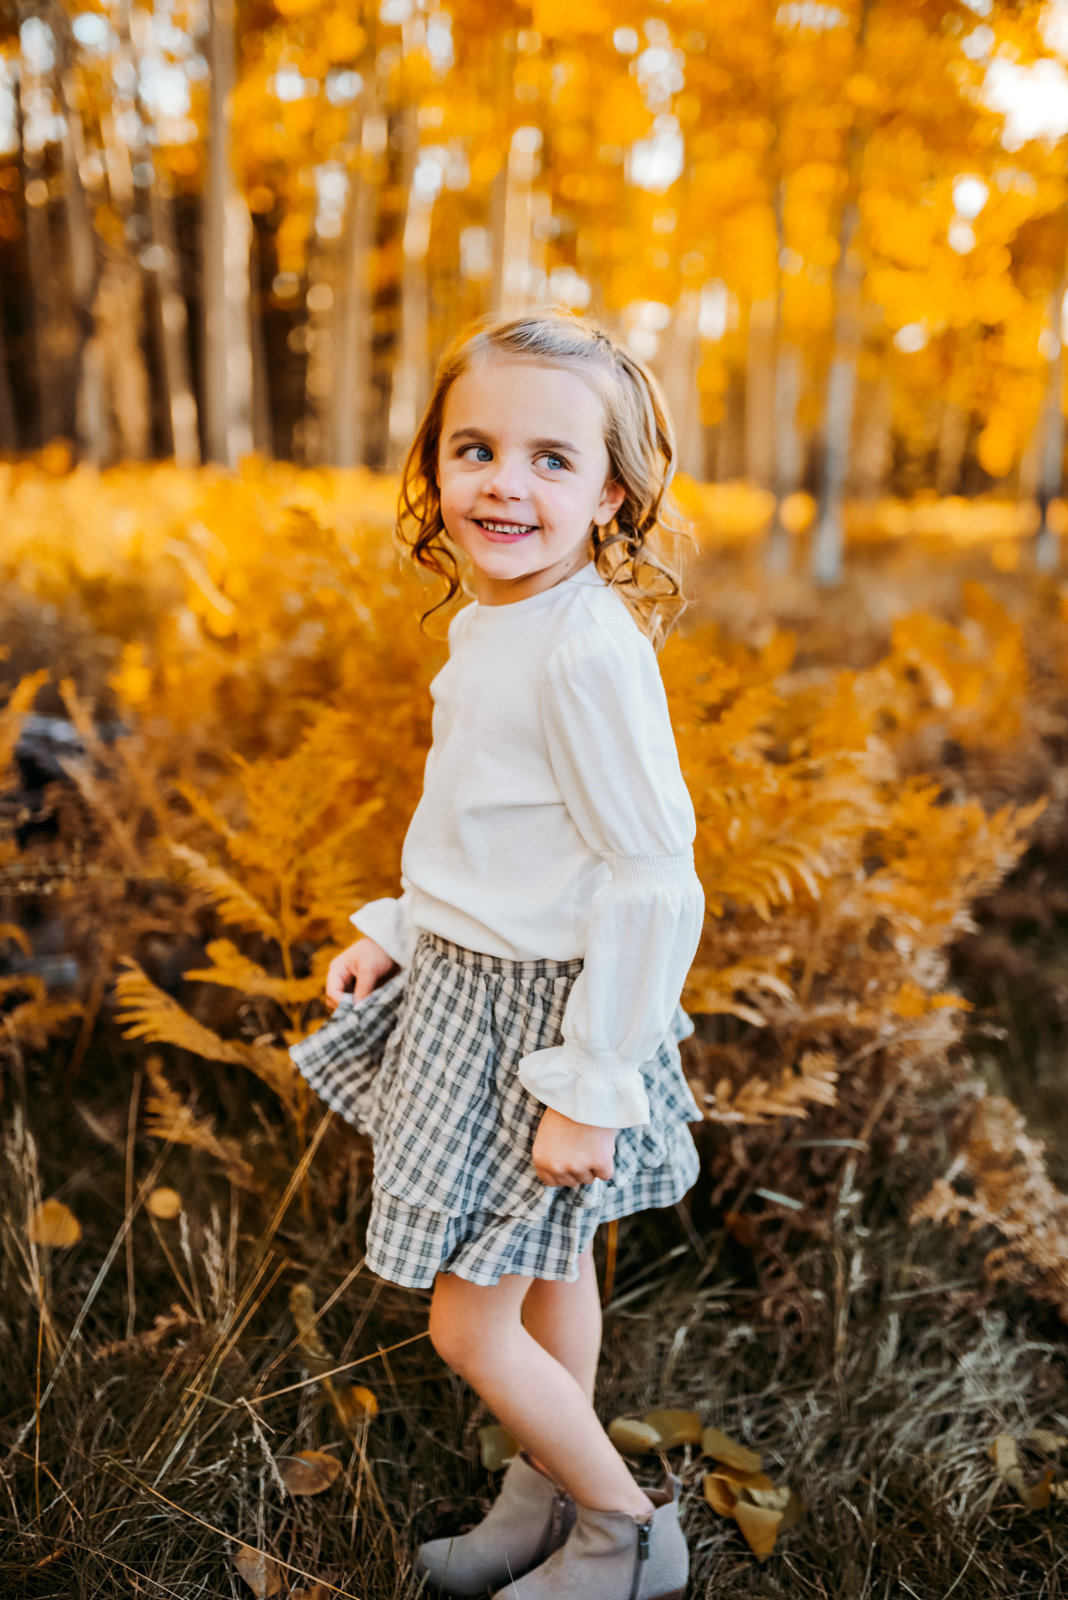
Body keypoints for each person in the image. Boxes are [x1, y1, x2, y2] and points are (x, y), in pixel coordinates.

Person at [291, 309, 704, 1599]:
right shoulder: (497, 625)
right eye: (475, 447)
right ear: (434, 467)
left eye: (550, 458)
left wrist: (590, 1080)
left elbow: (650, 874)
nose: (503, 482)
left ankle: (627, 1532)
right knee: (549, 1271)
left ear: (613, 493)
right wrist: (399, 926)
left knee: (468, 1320)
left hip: (550, 1029)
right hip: (470, 990)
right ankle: (543, 1499)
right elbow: (503, 833)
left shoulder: (585, 649)